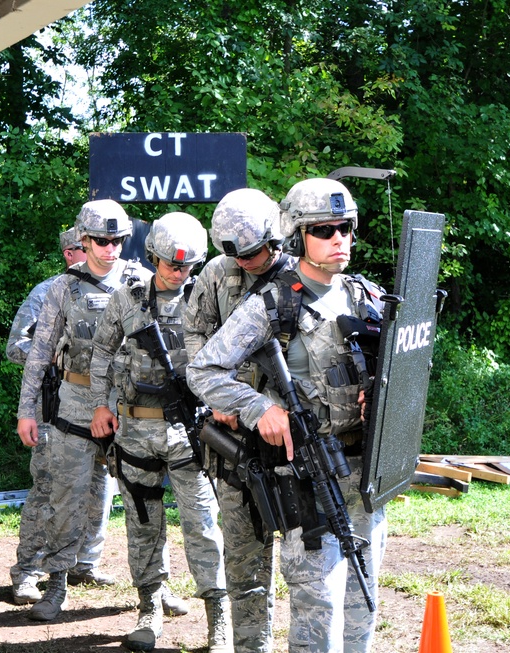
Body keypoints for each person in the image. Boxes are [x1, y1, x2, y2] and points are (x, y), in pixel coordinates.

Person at [187, 178, 387, 652]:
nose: (339, 238)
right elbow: (203, 368)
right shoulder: (271, 303)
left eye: (345, 227)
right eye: (324, 229)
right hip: (307, 480)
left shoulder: (364, 295)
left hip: (363, 476)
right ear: (297, 236)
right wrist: (258, 409)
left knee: (363, 602)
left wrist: (378, 390)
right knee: (319, 614)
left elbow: (398, 366)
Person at [89, 212, 231, 652]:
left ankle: (218, 617)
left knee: (204, 524)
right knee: (143, 522)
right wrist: (100, 405)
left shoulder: (207, 300)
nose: (179, 272)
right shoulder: (126, 299)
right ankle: (149, 608)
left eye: (188, 266)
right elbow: (100, 352)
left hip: (193, 433)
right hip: (135, 431)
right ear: (152, 257)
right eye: (171, 264)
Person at [15, 199, 149, 622]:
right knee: (65, 496)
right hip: (73, 404)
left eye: (118, 241)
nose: (111, 249)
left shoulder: (143, 282)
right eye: (102, 241)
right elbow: (37, 355)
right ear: (84, 240)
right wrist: (27, 411)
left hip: (130, 406)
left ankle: (152, 590)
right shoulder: (62, 287)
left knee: (142, 500)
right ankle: (56, 583)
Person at [183, 188, 297, 653]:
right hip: (234, 438)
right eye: (235, 254)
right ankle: (253, 646)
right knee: (244, 555)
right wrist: (215, 400)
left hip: (293, 437)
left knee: (307, 553)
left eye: (253, 252)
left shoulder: (298, 276)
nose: (246, 262)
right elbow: (194, 333)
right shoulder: (216, 273)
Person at [6, 226, 118, 604]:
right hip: (57, 404)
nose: (105, 250)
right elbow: (18, 346)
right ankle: (29, 570)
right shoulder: (49, 290)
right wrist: (59, 353)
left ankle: (85, 561)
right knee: (50, 488)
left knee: (101, 485)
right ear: (72, 251)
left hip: (105, 402)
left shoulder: (120, 283)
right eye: (84, 246)